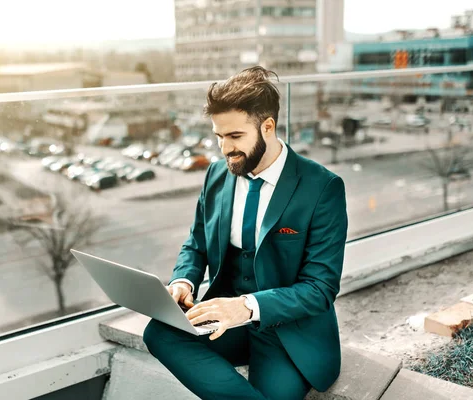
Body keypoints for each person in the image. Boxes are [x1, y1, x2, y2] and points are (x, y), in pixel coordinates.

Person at [143, 66, 348, 400]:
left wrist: (246, 307)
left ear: (267, 127)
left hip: (286, 331)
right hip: (226, 321)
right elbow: (197, 243)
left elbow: (320, 289)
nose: (224, 149)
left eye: (235, 136)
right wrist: (183, 281)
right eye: (219, 136)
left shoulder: (322, 187)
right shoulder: (216, 175)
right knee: (159, 334)